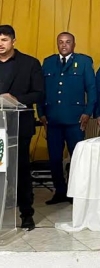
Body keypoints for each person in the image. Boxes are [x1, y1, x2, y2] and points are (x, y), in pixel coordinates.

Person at [37, 32, 96, 205]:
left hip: (75, 120)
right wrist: (41, 113)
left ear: (74, 44)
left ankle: (76, 192)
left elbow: (91, 89)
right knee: (54, 158)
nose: (64, 45)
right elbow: (41, 90)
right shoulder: (48, 62)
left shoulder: (84, 61)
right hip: (53, 119)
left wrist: (88, 112)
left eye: (67, 42)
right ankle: (60, 191)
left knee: (77, 158)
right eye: (61, 42)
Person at [0, 25, 44, 230]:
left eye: (5, 40)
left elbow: (39, 94)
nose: (1, 44)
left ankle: (26, 213)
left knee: (20, 170)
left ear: (14, 41)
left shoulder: (30, 64)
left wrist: (16, 99)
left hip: (18, 127)